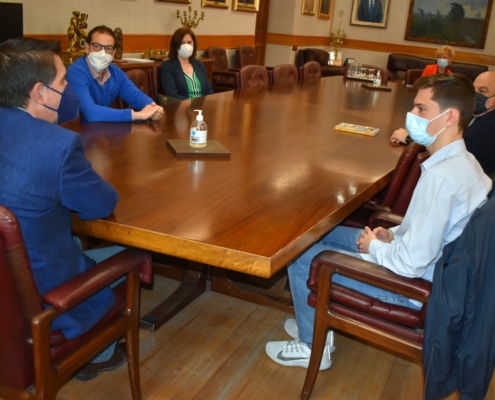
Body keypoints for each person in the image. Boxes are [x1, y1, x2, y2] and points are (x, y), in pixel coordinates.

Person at [265, 73, 492, 370]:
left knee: (301, 256)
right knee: (315, 239)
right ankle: (317, 324)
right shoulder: (465, 163)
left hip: (411, 288)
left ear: (450, 117)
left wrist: (375, 249)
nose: (411, 115)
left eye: (422, 109)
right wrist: (393, 234)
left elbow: (412, 263)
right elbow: (434, 231)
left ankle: (313, 347)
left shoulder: (443, 178)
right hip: (426, 266)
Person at [0, 37, 127, 381]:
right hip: (41, 294)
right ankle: (99, 351)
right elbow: (101, 205)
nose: (68, 88)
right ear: (39, 93)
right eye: (62, 83)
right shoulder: (58, 146)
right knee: (132, 253)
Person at [391, 71, 495, 176]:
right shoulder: (478, 114)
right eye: (473, 89)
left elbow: (445, 149)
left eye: (482, 91)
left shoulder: (490, 126)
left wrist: (409, 138)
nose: (475, 95)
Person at [67, 25, 163, 124]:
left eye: (108, 48)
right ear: (87, 48)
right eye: (96, 46)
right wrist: (137, 115)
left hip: (103, 132)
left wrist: (153, 107)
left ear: (113, 53)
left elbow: (135, 95)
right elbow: (90, 113)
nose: (102, 52)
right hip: (78, 134)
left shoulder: (115, 72)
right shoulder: (76, 72)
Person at [160, 28, 213, 101]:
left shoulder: (199, 65)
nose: (186, 46)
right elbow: (172, 95)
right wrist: (193, 104)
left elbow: (209, 92)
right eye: (182, 43)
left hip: (203, 108)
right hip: (182, 108)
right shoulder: (168, 66)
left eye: (189, 42)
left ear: (193, 44)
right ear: (175, 45)